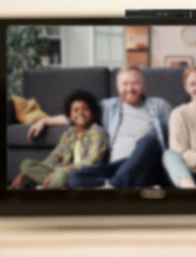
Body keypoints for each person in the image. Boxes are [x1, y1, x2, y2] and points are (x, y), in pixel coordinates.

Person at [27, 66, 172, 188]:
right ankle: (114, 185)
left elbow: (177, 131)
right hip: (115, 167)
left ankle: (115, 185)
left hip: (146, 167)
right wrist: (45, 121)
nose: (130, 88)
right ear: (117, 86)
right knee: (75, 178)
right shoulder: (109, 106)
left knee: (149, 141)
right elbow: (78, 116)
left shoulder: (160, 106)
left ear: (143, 84)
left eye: (135, 83)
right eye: (125, 84)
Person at [10, 89, 108, 189]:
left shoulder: (98, 132)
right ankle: (50, 185)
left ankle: (43, 186)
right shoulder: (69, 133)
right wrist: (24, 174)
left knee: (62, 176)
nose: (81, 113)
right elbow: (54, 156)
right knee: (26, 165)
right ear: (69, 116)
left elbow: (91, 162)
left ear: (93, 113)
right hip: (62, 171)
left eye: (86, 109)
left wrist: (61, 171)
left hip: (82, 174)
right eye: (76, 110)